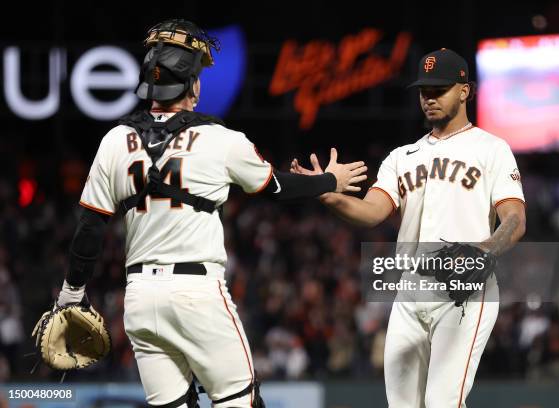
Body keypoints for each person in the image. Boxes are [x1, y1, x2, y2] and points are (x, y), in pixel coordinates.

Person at [51, 19, 367, 408]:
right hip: (196, 293)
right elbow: (278, 189)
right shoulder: (221, 140)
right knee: (239, 401)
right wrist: (329, 181)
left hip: (139, 300)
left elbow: (90, 226)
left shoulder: (115, 141)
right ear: (191, 85)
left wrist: (70, 295)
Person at [291, 48, 526, 407]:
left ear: (464, 91)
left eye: (439, 89)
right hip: (410, 290)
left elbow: (514, 219)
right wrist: (323, 192)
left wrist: (483, 251)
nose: (429, 98)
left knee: (441, 402)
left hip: (464, 287)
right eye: (423, 91)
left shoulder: (492, 149)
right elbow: (371, 211)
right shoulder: (402, 157)